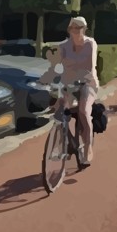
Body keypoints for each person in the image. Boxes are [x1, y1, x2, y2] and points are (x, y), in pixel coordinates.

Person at [44, 16, 99, 167]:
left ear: (84, 29)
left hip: (87, 83)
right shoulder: (63, 46)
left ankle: (88, 148)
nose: (76, 31)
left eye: (79, 28)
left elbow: (89, 66)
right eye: (73, 27)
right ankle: (66, 140)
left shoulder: (90, 44)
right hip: (68, 85)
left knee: (83, 111)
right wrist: (45, 80)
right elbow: (55, 67)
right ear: (69, 30)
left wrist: (70, 65)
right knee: (59, 110)